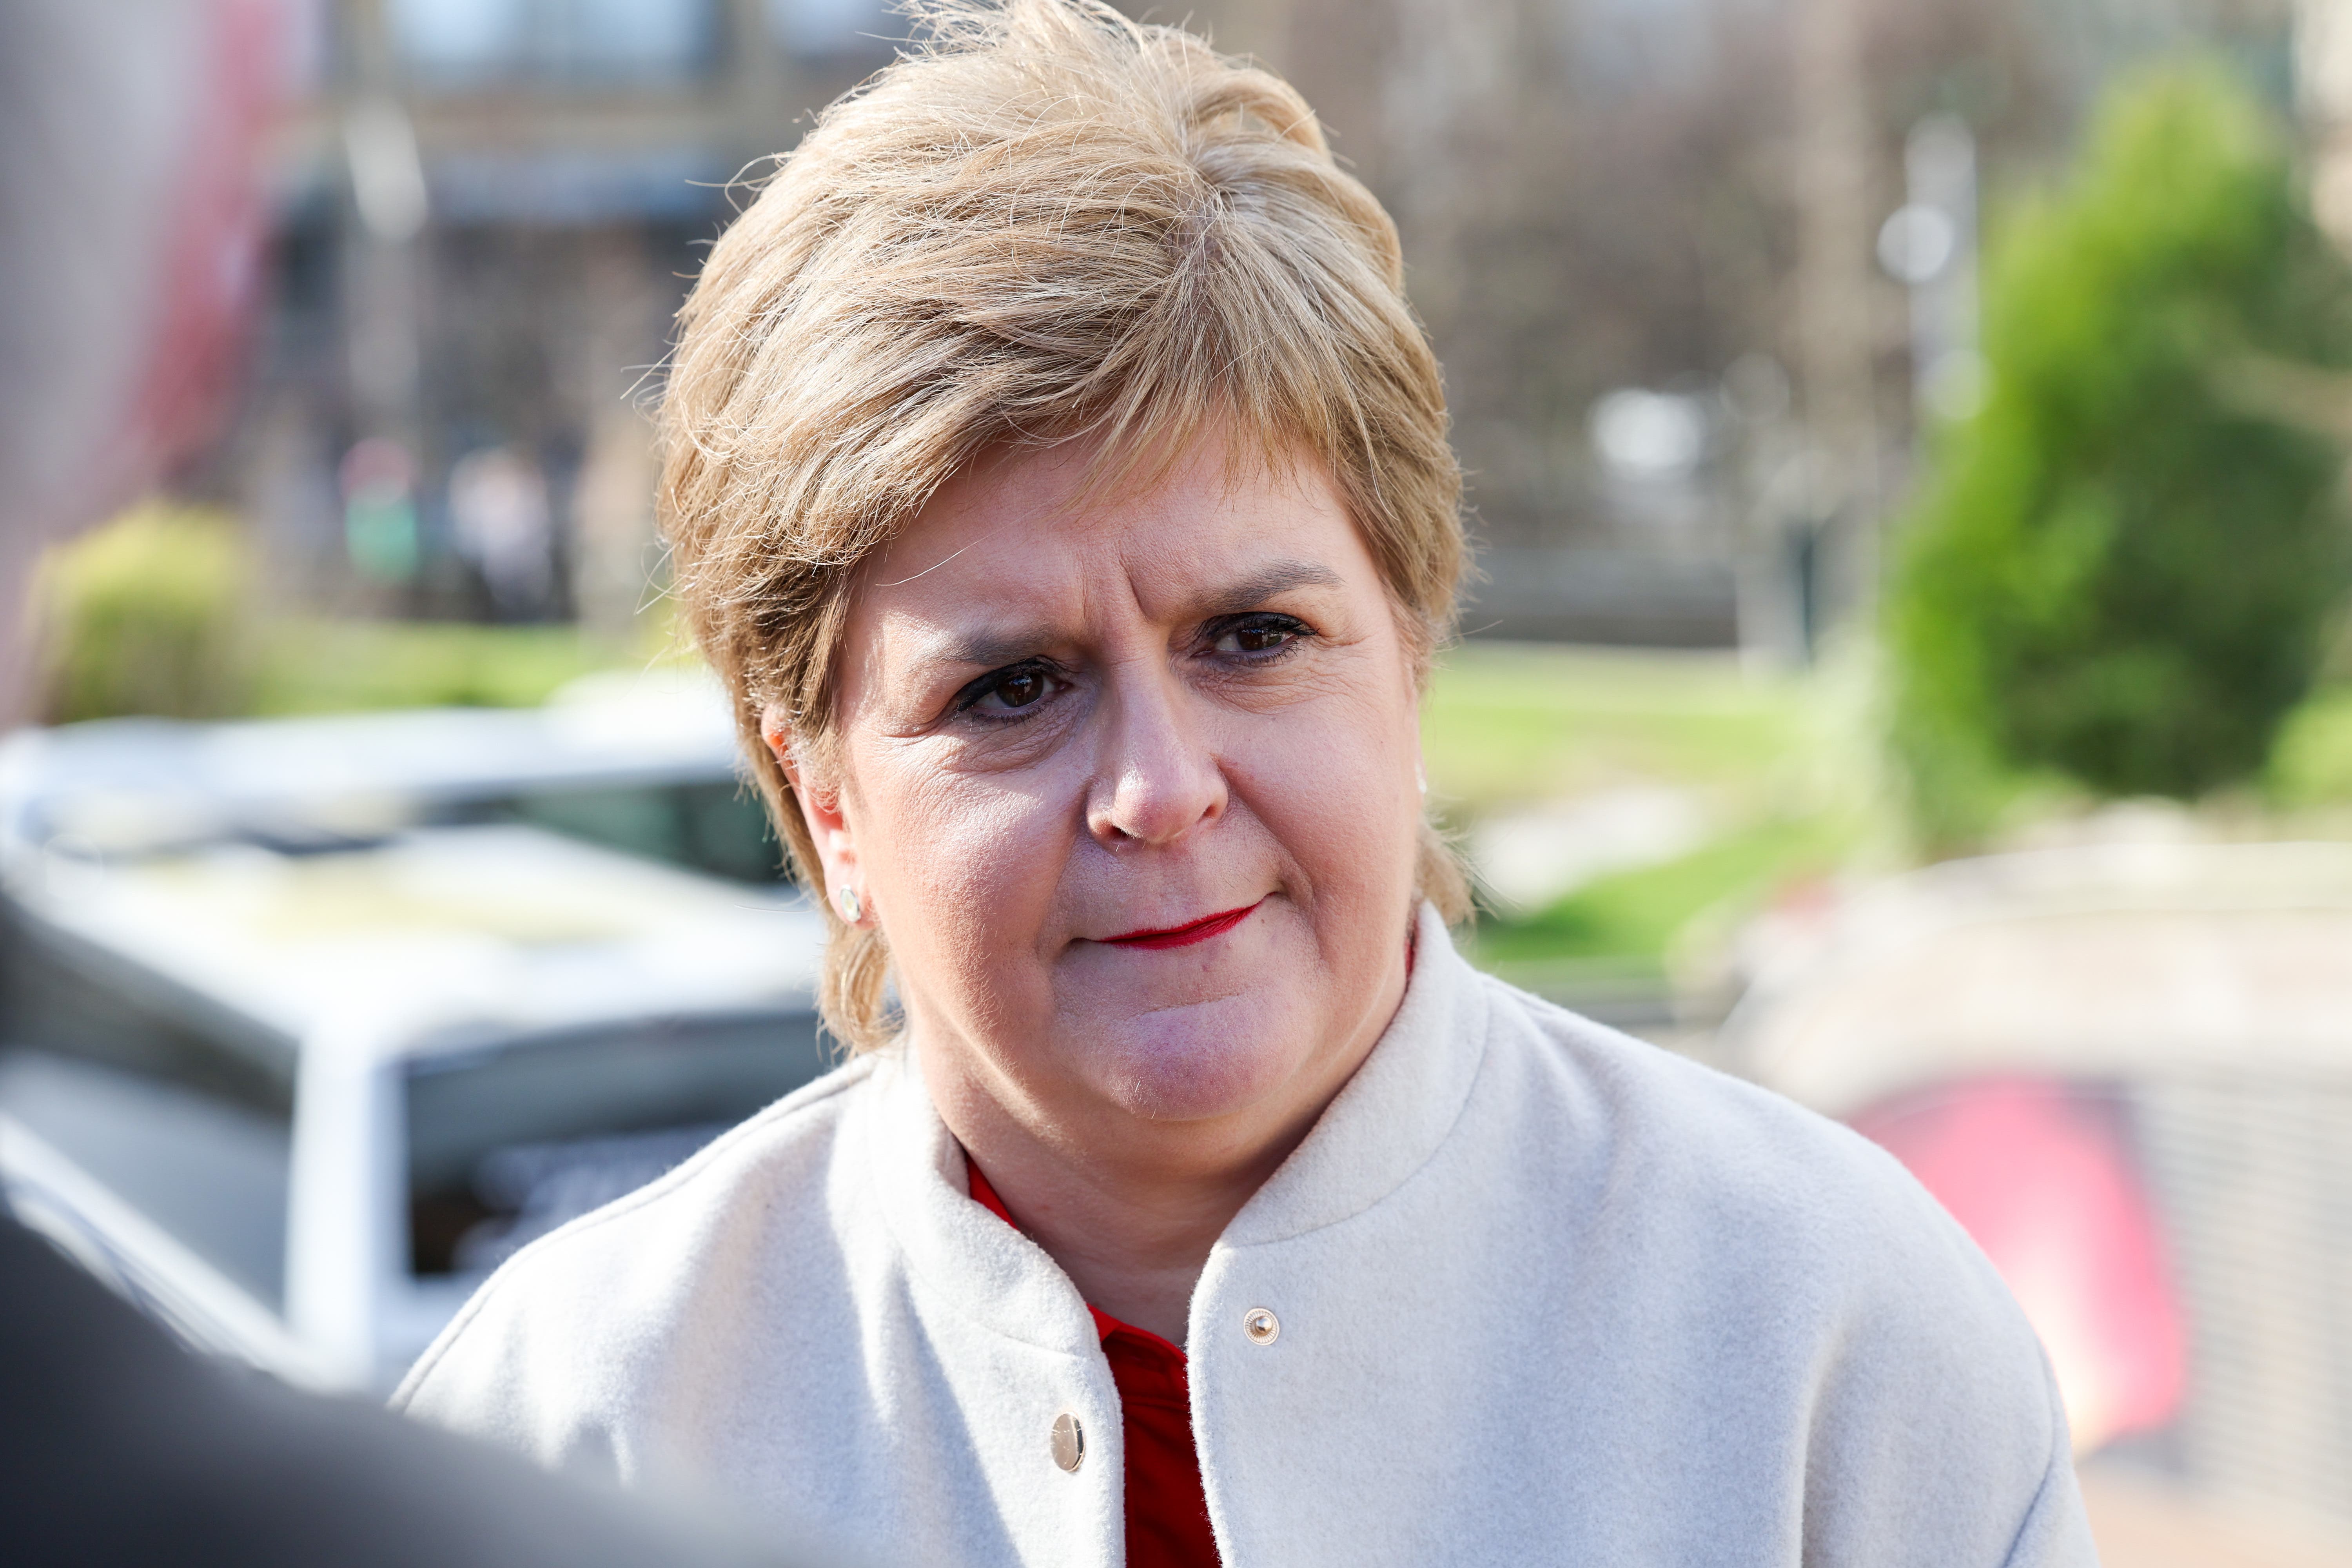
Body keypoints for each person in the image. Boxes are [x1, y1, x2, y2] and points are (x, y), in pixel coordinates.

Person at [396, 3, 2099, 1564]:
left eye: (1252, 636)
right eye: (1012, 686)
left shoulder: (1836, 1343)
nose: (1159, 786)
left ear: (1411, 656)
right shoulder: (565, 1441)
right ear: (827, 805)